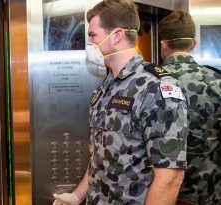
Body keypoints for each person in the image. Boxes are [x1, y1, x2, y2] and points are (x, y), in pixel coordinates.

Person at [53, 0, 188, 204]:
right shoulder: (106, 87)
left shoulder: (156, 88)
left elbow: (170, 177)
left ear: (116, 35)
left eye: (92, 35)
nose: (89, 43)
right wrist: (77, 195)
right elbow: (101, 154)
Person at [158, 11, 221, 205]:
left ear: (163, 44)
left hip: (158, 194)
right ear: (194, 43)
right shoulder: (216, 81)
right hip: (207, 193)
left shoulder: (148, 81)